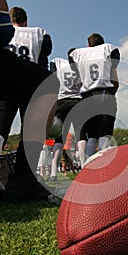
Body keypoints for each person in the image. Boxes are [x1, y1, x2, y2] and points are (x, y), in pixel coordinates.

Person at [0, 0, 59, 201]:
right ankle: (24, 179)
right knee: (44, 84)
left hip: (3, 88)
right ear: (25, 20)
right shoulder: (37, 33)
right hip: (14, 79)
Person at [0, 6, 53, 160]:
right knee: (30, 133)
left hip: (5, 83)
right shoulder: (39, 33)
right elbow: (43, 64)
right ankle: (24, 175)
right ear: (25, 21)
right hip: (30, 85)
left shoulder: (3, 30)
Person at [69, 33, 120, 159]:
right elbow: (115, 80)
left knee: (91, 135)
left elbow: (78, 76)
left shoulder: (77, 54)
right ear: (102, 43)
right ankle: (104, 165)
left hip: (87, 96)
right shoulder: (108, 49)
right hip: (104, 92)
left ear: (88, 45)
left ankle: (88, 167)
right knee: (105, 133)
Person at [48, 48, 85, 181]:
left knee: (59, 139)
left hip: (62, 101)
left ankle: (53, 173)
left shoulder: (57, 62)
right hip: (78, 101)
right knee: (81, 135)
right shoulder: (81, 67)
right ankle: (84, 169)